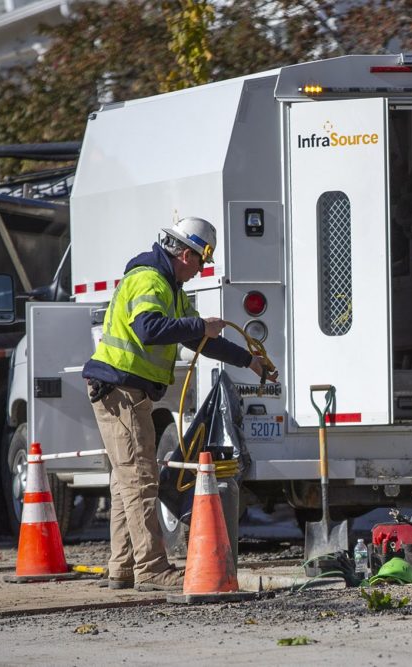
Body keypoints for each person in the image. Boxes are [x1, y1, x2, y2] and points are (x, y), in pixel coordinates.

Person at [82, 216, 273, 592]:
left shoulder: (170, 286)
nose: (200, 270)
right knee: (139, 480)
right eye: (200, 261)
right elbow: (148, 329)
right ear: (185, 253)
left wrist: (247, 360)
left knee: (127, 482)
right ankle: (151, 568)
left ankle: (123, 566)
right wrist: (199, 326)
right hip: (120, 391)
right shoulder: (149, 279)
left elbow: (198, 339)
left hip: (125, 392)